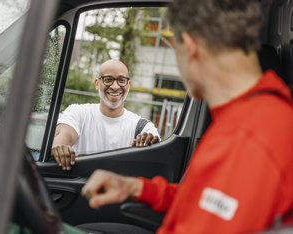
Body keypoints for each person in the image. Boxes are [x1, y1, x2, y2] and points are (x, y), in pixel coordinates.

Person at [80, 0, 293, 233]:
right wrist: (135, 188)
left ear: (190, 47)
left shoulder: (252, 138)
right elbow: (203, 202)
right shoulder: (245, 120)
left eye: (176, 52)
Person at [52, 59, 160, 170]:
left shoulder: (142, 127)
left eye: (121, 80)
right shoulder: (79, 113)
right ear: (97, 83)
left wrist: (150, 146)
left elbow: (157, 153)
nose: (115, 86)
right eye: (108, 79)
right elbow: (64, 135)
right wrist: (60, 146)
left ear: (129, 85)